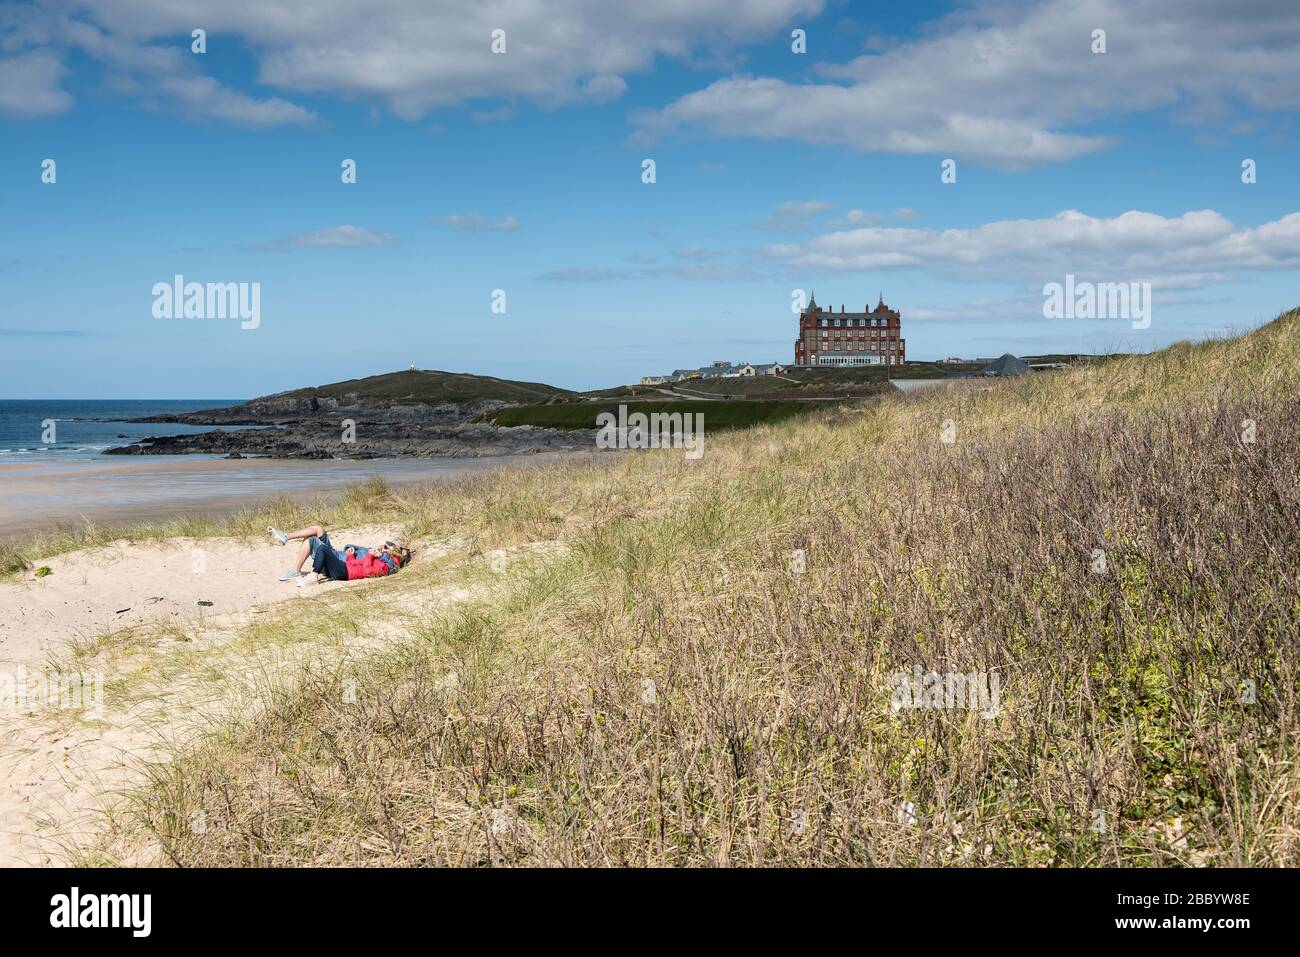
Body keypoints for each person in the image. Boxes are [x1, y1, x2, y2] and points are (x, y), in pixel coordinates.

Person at [268, 525, 408, 585]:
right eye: (383, 545)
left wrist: (380, 555)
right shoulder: (379, 555)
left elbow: (393, 567)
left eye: (386, 547)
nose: (382, 547)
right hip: (338, 555)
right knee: (318, 529)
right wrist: (351, 554)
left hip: (335, 561)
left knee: (312, 540)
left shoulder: (386, 561)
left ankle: (296, 571)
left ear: (391, 552)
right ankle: (285, 536)